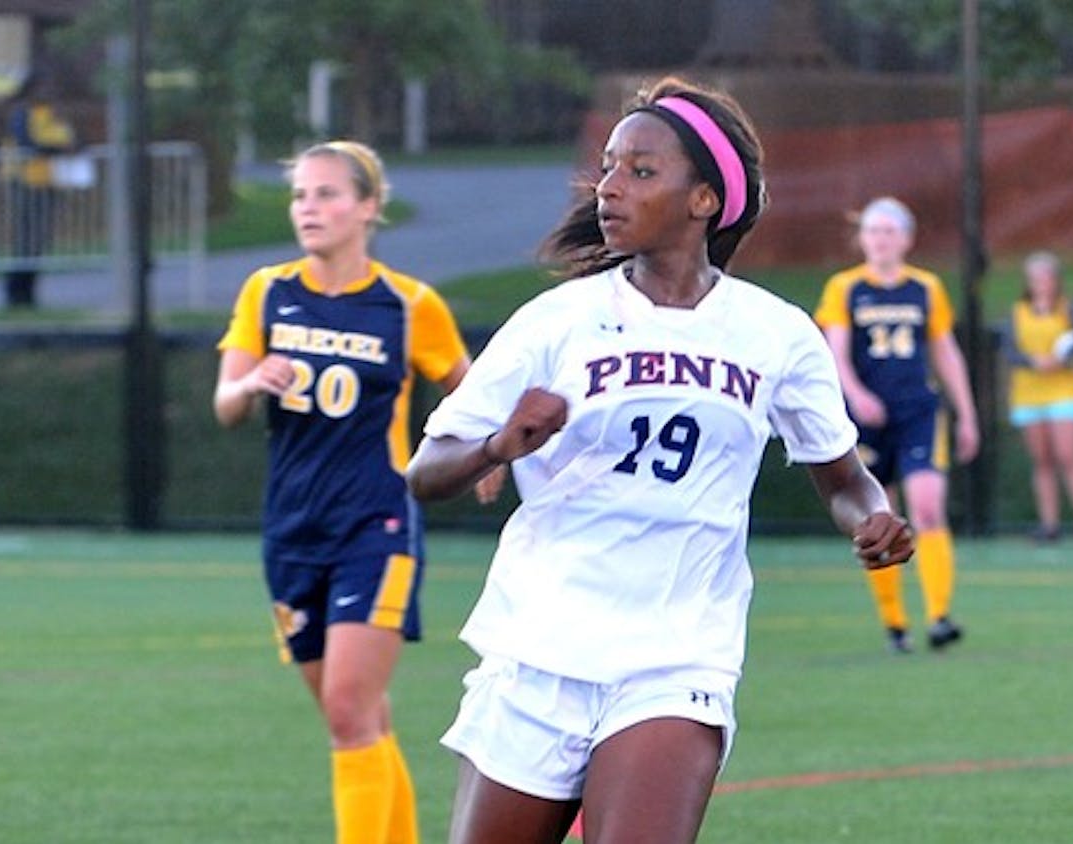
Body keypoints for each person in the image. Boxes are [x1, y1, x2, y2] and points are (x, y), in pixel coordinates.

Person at [405, 76, 915, 844]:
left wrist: (871, 517)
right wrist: (497, 447)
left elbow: (843, 479)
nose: (609, 187)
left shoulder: (774, 334)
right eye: (607, 167)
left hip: (677, 659)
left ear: (705, 200)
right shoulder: (558, 320)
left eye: (640, 172)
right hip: (540, 649)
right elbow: (424, 472)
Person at [213, 140, 501, 844]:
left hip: (376, 526)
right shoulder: (268, 291)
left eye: (328, 194)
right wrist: (252, 383)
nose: (309, 208)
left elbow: (469, 392)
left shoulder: (407, 305)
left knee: (349, 710)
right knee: (359, 719)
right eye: (300, 196)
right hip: (291, 530)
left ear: (369, 207)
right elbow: (225, 403)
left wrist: (484, 456)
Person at [812, 197, 980, 654]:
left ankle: (940, 616)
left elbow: (945, 352)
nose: (881, 239)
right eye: (873, 230)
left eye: (890, 231)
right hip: (867, 419)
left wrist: (967, 412)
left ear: (906, 238)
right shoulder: (845, 288)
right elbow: (835, 351)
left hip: (917, 412)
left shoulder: (925, 288)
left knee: (926, 507)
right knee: (879, 517)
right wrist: (856, 394)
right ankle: (895, 624)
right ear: (861, 238)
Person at [1003, 251, 1073, 545]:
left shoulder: (1069, 309)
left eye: (1046, 277)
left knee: (1069, 456)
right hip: (1029, 393)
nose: (1041, 283)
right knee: (1042, 460)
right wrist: (1033, 361)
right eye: (1036, 278)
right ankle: (1049, 524)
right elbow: (1011, 350)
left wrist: (1064, 358)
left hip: (1064, 390)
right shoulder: (1018, 312)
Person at [1, 72, 77, 309]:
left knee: (39, 242)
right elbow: (27, 143)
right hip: (24, 181)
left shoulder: (52, 115)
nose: (48, 93)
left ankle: (30, 294)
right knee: (26, 240)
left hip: (46, 181)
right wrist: (57, 149)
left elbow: (72, 139)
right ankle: (16, 292)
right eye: (43, 88)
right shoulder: (22, 114)